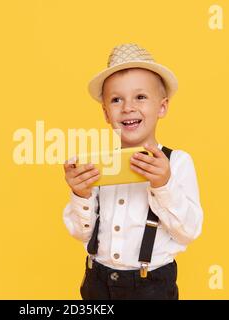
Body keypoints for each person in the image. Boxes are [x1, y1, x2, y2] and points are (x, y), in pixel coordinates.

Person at [62, 43, 204, 300]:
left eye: (140, 97)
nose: (128, 107)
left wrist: (163, 185)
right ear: (106, 113)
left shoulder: (178, 163)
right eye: (116, 99)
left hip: (152, 285)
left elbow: (189, 231)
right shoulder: (97, 164)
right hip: (97, 281)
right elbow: (80, 232)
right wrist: (79, 193)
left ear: (162, 107)